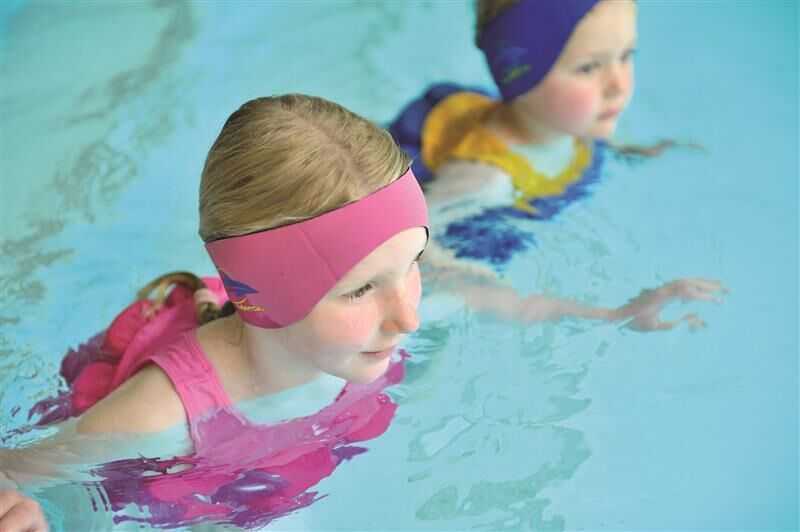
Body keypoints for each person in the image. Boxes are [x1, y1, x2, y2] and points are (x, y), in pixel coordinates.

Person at [0, 94, 429, 529]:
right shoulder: (156, 418)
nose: (409, 319)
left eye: (414, 260)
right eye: (360, 290)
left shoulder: (370, 335)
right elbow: (15, 469)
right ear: (268, 296)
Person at [390, 0, 724, 328]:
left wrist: (633, 151)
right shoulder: (488, 178)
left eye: (626, 55)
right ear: (520, 77)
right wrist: (612, 317)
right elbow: (409, 245)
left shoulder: (572, 120)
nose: (618, 85)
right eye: (588, 67)